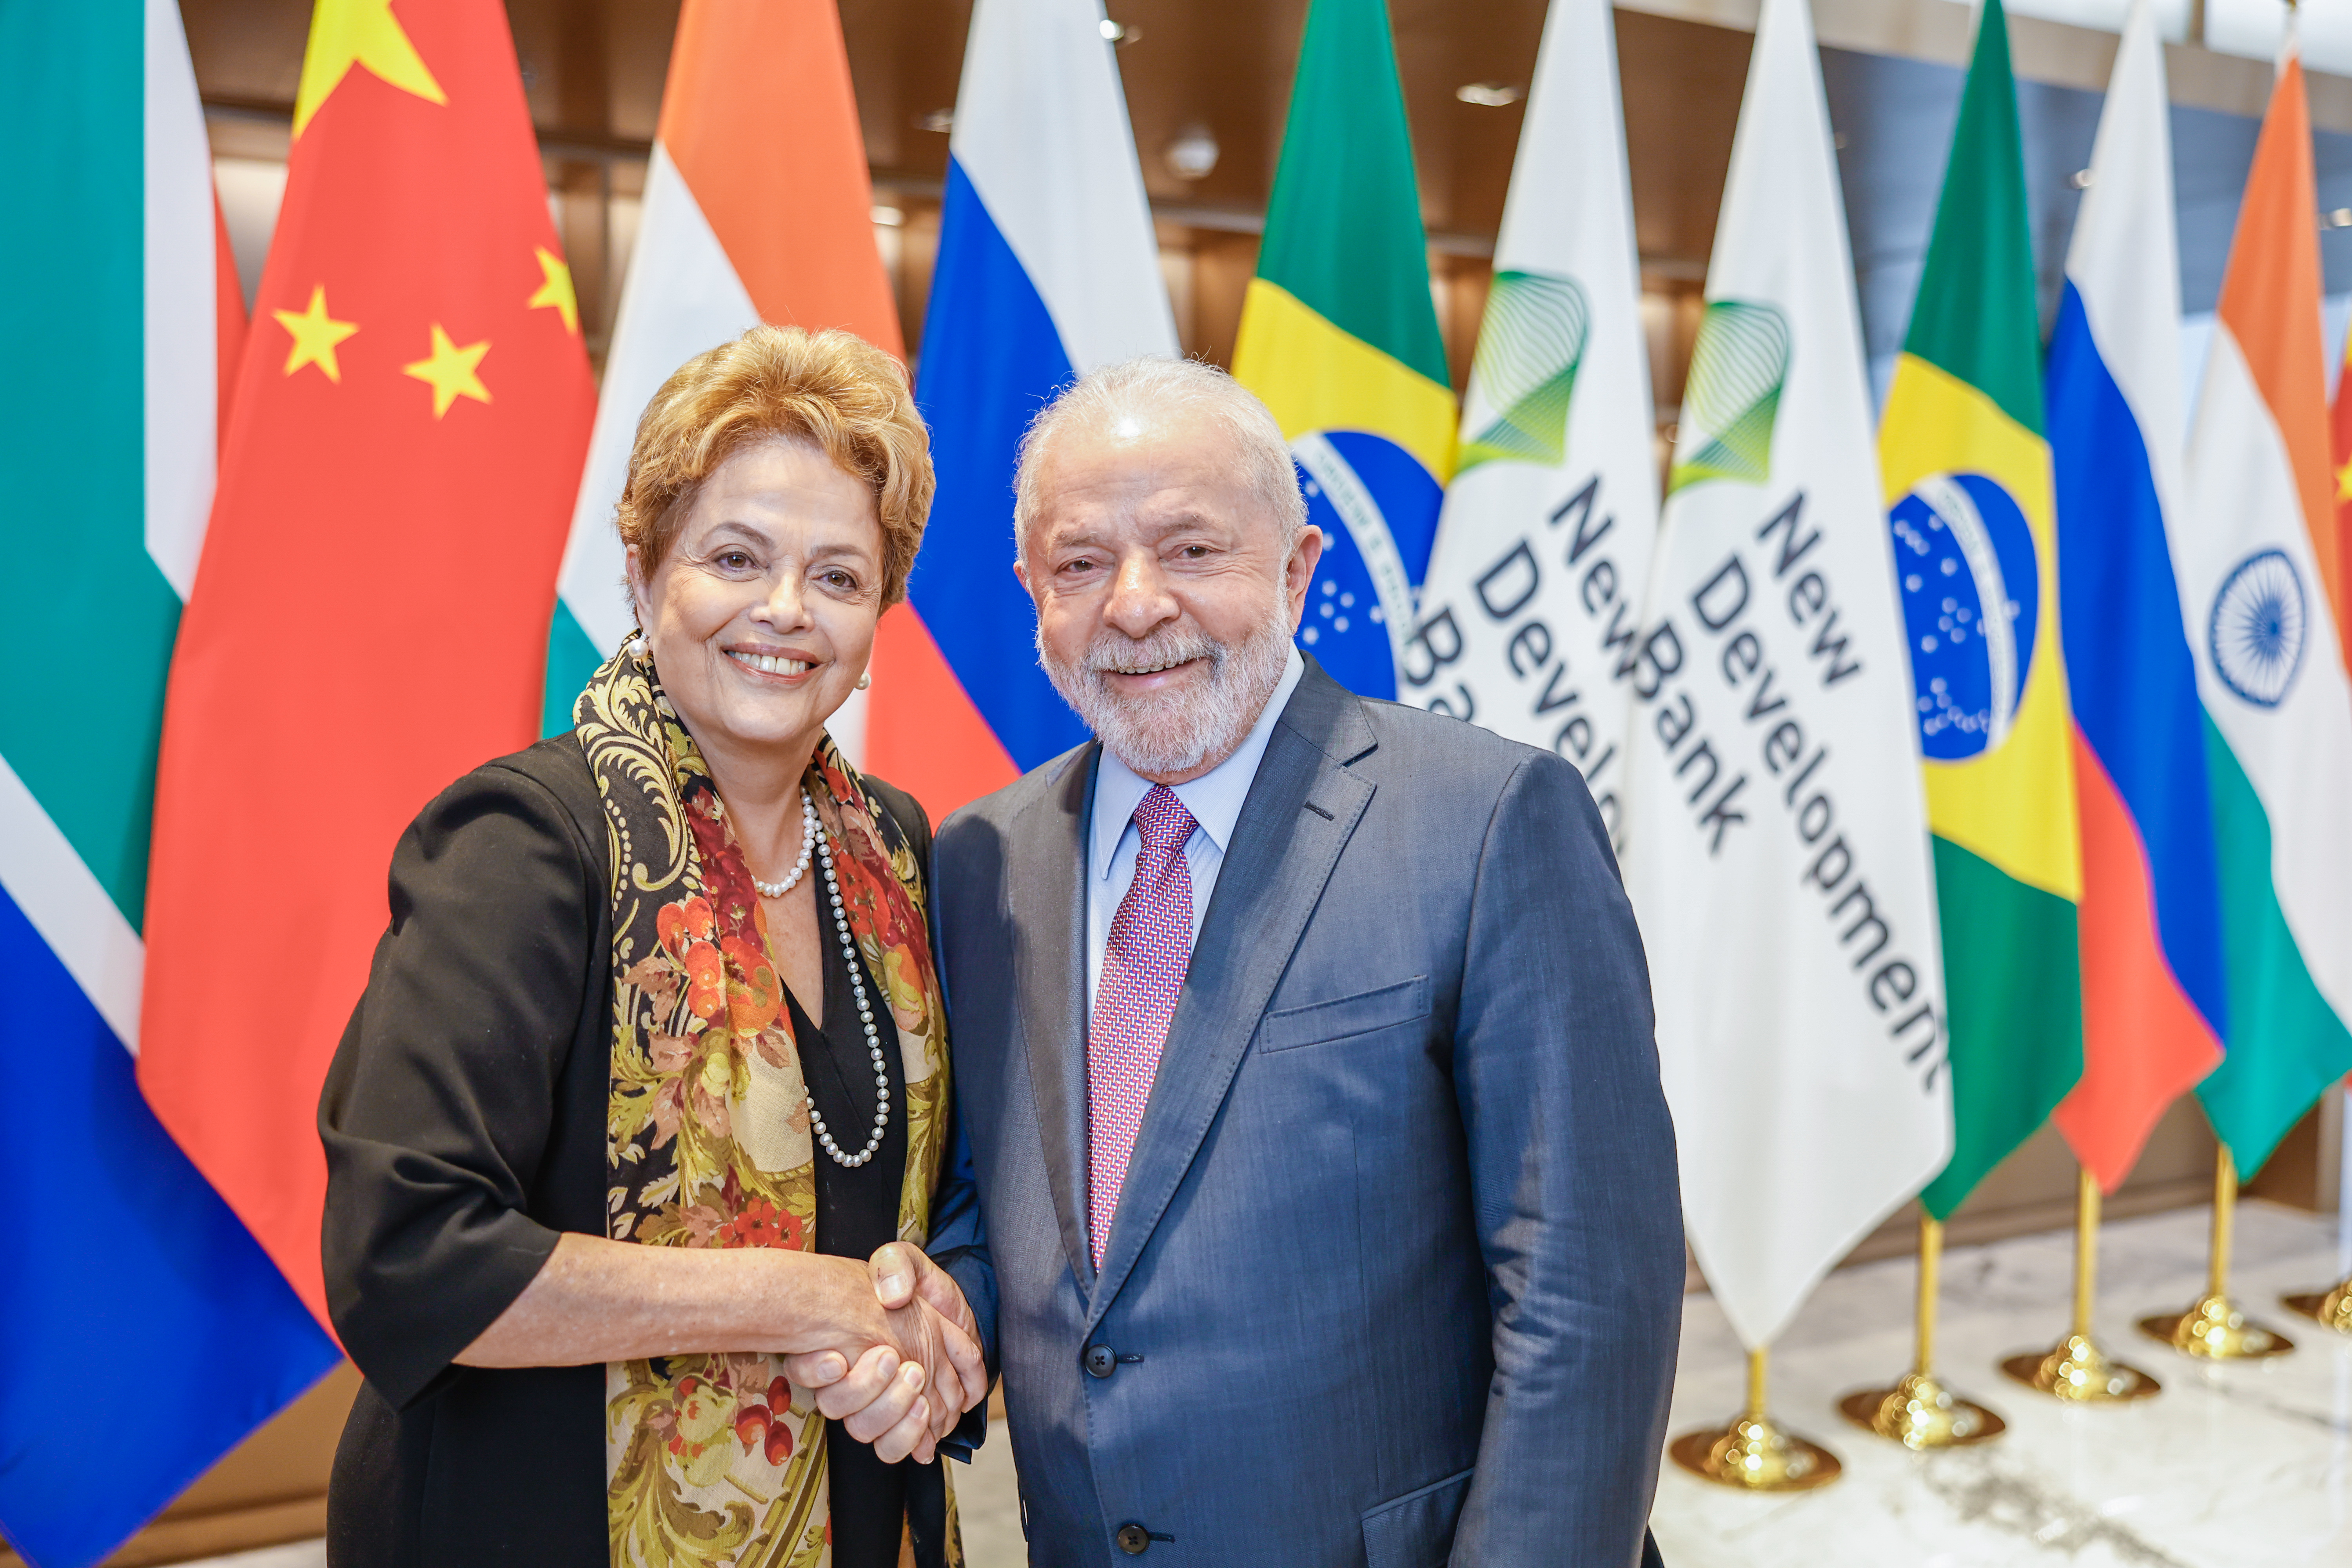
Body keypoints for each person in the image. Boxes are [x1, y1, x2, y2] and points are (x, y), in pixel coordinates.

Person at [837, 357, 1683, 1564]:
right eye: (1082, 564)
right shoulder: (978, 859)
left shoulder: (1491, 820)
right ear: (1031, 593)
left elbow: (1586, 1305)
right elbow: (997, 1205)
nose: (1135, 605)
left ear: (1296, 570)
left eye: (1191, 550)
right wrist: (942, 1316)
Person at [318, 325, 987, 1568]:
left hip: (856, 1512)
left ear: (882, 609)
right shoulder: (525, 841)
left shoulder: (893, 847)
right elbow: (409, 1255)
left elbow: (945, 1185)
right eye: (736, 557)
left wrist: (933, 1314)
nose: (786, 612)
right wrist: (811, 1296)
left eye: (839, 577)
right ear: (643, 571)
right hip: (533, 1523)